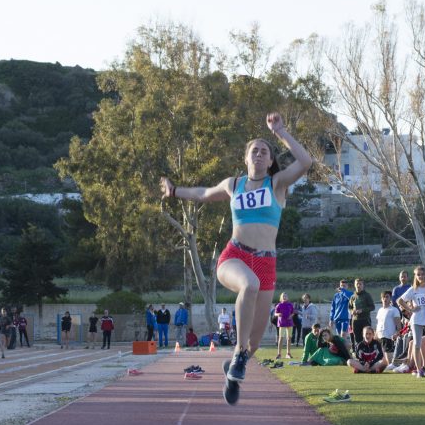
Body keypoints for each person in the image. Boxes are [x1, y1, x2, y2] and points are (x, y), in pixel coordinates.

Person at [159, 112, 312, 405]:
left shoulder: (277, 184)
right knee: (249, 285)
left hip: (267, 263)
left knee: (255, 342)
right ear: (246, 158)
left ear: (269, 162)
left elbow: (306, 162)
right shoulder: (234, 185)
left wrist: (280, 132)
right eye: (254, 149)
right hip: (236, 255)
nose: (259, 153)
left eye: (264, 151)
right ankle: (239, 355)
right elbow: (204, 193)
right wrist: (175, 191)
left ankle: (233, 367)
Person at [398, 266, 425, 377]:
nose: (421, 276)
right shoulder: (413, 289)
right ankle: (419, 370)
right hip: (417, 320)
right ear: (416, 276)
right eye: (418, 275)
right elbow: (400, 300)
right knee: (416, 344)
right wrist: (410, 309)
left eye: (422, 274)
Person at [375, 291, 401, 367]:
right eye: (383, 297)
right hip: (380, 335)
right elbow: (378, 323)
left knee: (388, 353)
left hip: (389, 335)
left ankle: (391, 366)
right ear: (381, 299)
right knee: (381, 354)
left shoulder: (394, 310)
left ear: (390, 299)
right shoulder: (380, 310)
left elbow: (398, 324)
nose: (385, 299)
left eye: (387, 297)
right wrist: (376, 333)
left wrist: (397, 333)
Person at [348, 278, 375, 350]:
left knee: (367, 336)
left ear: (363, 285)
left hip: (365, 319)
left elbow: (372, 307)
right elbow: (349, 308)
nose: (358, 285)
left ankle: (369, 351)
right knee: (357, 338)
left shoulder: (367, 295)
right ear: (354, 285)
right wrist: (352, 311)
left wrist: (362, 310)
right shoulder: (352, 296)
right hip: (355, 320)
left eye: (360, 284)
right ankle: (359, 353)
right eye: (357, 284)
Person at [274, 293, 295, 359]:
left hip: (289, 323)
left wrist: (290, 316)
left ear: (287, 297)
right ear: (281, 297)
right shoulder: (279, 305)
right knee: (281, 338)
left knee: (289, 338)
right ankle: (279, 354)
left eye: (285, 296)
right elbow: (275, 313)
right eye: (283, 296)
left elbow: (293, 313)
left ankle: (288, 353)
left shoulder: (290, 304)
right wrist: (278, 314)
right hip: (282, 323)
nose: (284, 297)